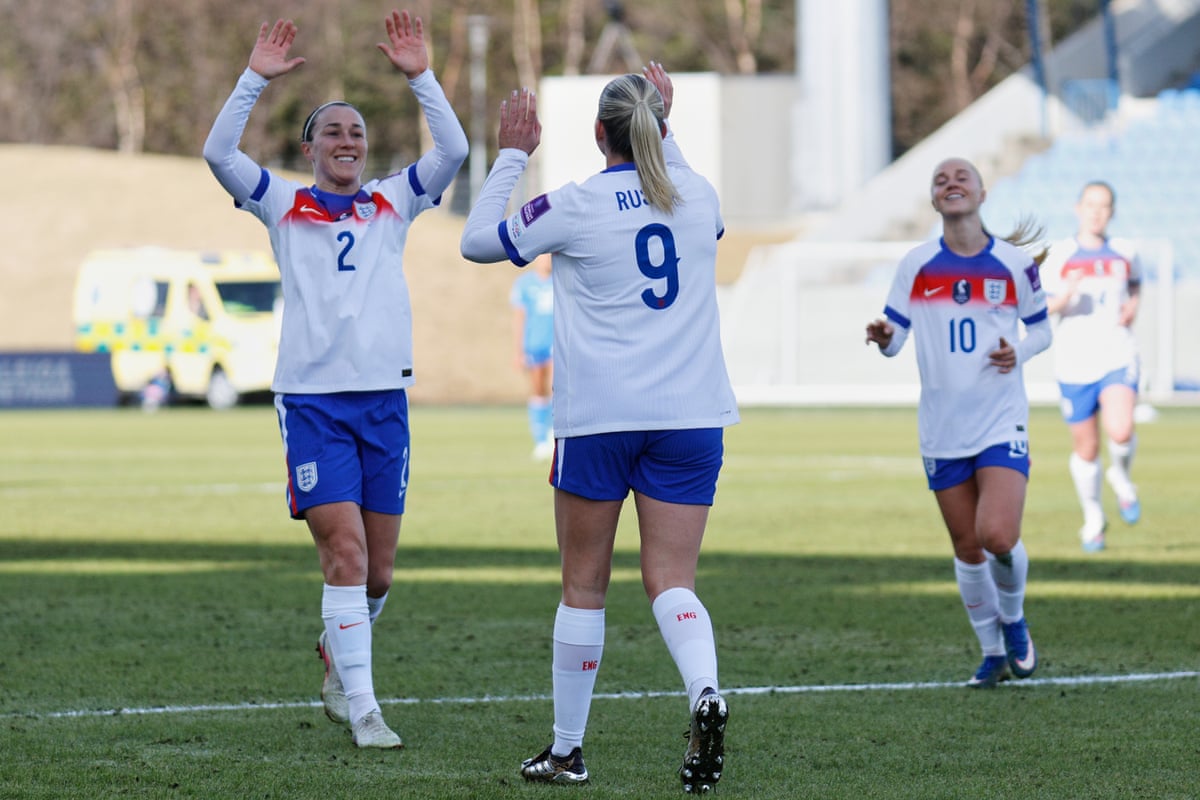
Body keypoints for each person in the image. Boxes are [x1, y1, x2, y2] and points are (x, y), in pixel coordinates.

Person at [460, 62, 737, 792]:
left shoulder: (576, 203)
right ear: (660, 128)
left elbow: (478, 240)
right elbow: (681, 193)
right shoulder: (698, 196)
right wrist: (664, 124)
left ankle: (567, 750)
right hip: (691, 417)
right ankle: (704, 689)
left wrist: (514, 152)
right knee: (672, 579)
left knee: (584, 584)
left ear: (595, 134)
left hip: (598, 419)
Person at [203, 12, 468, 748]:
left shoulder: (395, 201)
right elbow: (216, 150)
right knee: (344, 556)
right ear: (309, 148)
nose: (347, 140)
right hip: (315, 406)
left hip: (386, 403)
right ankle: (366, 708)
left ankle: (336, 648)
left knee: (377, 574)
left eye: (355, 131)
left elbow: (456, 149)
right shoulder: (283, 203)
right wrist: (255, 76)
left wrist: (421, 76)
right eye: (332, 132)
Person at [864, 157, 1052, 689]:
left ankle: (1013, 620)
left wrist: (1016, 349)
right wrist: (883, 338)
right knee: (967, 547)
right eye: (941, 180)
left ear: (982, 193)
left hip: (1000, 421)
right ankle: (992, 653)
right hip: (942, 428)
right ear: (933, 200)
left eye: (961, 177)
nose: (951, 183)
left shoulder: (1014, 264)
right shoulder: (917, 264)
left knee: (996, 534)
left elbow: (1041, 331)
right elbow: (896, 336)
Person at [1039, 181, 1142, 552]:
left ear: (1112, 211)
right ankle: (1094, 517)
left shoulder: (1125, 252)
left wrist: (1133, 306)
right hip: (1074, 362)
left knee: (1121, 428)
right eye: (1091, 205)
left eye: (1104, 206)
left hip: (1116, 354)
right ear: (1078, 208)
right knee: (1086, 448)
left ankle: (1123, 478)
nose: (1097, 212)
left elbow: (1135, 285)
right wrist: (1065, 295)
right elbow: (1042, 306)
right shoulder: (1060, 255)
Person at [510, 253, 555, 459]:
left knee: (558, 387)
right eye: (544, 256)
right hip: (534, 344)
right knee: (538, 390)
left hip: (557, 344)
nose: (547, 260)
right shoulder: (525, 284)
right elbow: (520, 318)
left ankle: (554, 433)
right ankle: (540, 440)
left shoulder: (561, 281)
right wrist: (518, 351)